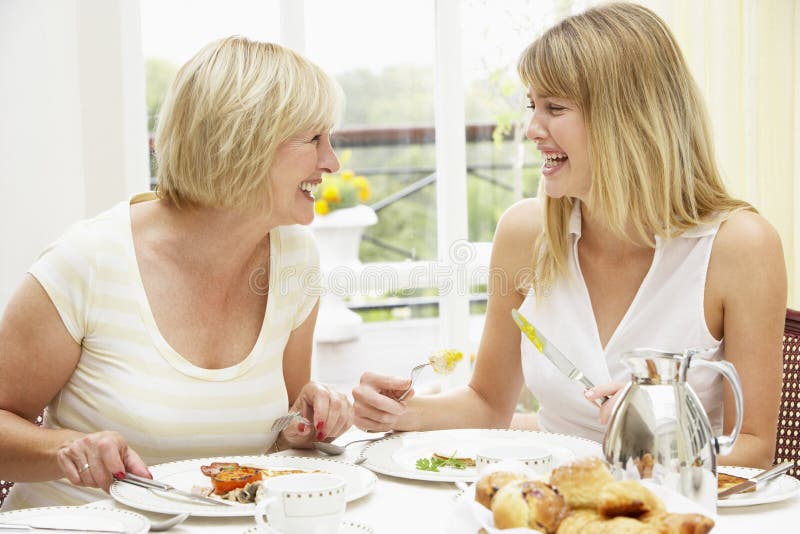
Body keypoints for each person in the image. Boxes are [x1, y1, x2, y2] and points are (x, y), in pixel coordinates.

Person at [352, 2, 785, 469]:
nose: (532, 130)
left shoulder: (739, 246)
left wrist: (663, 434)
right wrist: (402, 412)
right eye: (532, 106)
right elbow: (488, 403)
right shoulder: (525, 234)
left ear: (630, 117)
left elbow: (757, 450)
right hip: (550, 499)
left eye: (555, 108)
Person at [0, 37, 353, 510]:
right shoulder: (89, 260)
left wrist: (306, 422)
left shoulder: (296, 260)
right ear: (243, 140)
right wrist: (65, 447)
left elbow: (280, 443)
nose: (331, 161)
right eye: (314, 139)